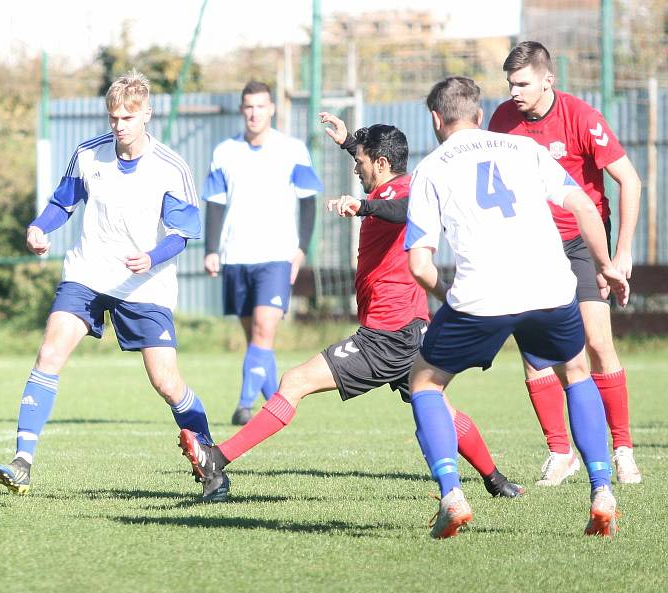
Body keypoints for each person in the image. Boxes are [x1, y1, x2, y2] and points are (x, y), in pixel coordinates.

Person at [176, 112, 523, 502]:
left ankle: (217, 458)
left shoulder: (402, 192)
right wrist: (346, 143)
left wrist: (362, 208)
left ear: (382, 163)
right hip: (409, 332)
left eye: (361, 163)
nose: (356, 170)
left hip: (387, 336)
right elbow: (381, 186)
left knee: (294, 382)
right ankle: (497, 481)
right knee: (440, 409)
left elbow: (403, 209)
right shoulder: (385, 187)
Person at [405, 76, 628, 538]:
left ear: (435, 119)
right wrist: (606, 266)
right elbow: (585, 207)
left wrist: (450, 297)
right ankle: (602, 488)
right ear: (479, 114)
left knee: (425, 380)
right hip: (550, 285)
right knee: (576, 370)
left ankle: (452, 495)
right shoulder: (524, 149)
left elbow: (419, 264)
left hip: (481, 294)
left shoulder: (431, 168)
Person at [0, 70, 214, 494]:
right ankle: (23, 461)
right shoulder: (89, 154)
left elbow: (182, 234)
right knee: (50, 351)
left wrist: (151, 256)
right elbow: (62, 203)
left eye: (127, 117)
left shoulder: (171, 167)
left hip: (145, 284)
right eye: (113, 118)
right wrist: (40, 228)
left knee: (166, 381)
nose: (118, 126)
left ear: (147, 113)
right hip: (88, 273)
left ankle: (211, 459)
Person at [488, 41, 642, 486]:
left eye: (522, 83)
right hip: (529, 247)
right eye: (510, 83)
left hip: (580, 244)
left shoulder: (581, 117)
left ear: (547, 80)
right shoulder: (502, 120)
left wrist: (621, 252)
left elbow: (628, 180)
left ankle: (623, 449)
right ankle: (560, 452)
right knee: (535, 352)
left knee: (597, 343)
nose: (514, 92)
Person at [202, 81, 323, 426]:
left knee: (262, 331)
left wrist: (300, 249)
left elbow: (308, 202)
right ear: (242, 110)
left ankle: (243, 406)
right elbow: (214, 202)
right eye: (248, 107)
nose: (254, 113)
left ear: (272, 109)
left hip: (276, 254)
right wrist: (211, 250)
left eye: (260, 106)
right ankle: (277, 403)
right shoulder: (225, 151)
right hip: (235, 255)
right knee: (255, 338)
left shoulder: (293, 149)